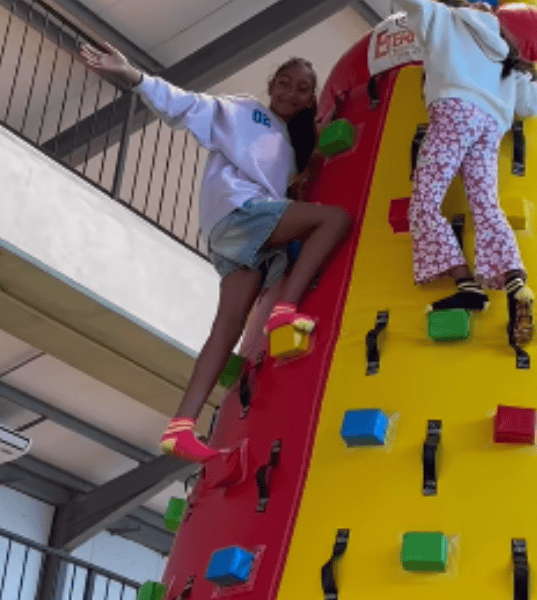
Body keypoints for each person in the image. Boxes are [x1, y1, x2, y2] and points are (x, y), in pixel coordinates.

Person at [79, 43, 351, 463]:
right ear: (271, 84)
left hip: (240, 233)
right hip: (241, 214)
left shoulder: (287, 143)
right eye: (285, 82)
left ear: (310, 99)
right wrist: (131, 75)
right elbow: (187, 106)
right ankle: (285, 310)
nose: (292, 93)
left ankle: (181, 426)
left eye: (303, 89)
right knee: (333, 220)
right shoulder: (244, 112)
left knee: (227, 327)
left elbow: (288, 180)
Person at [392, 0, 537, 347]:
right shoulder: (506, 53)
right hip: (492, 125)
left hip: (454, 110)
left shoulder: (446, 17)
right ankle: (515, 285)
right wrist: (535, 72)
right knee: (486, 206)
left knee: (424, 203)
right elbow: (533, 102)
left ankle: (467, 286)